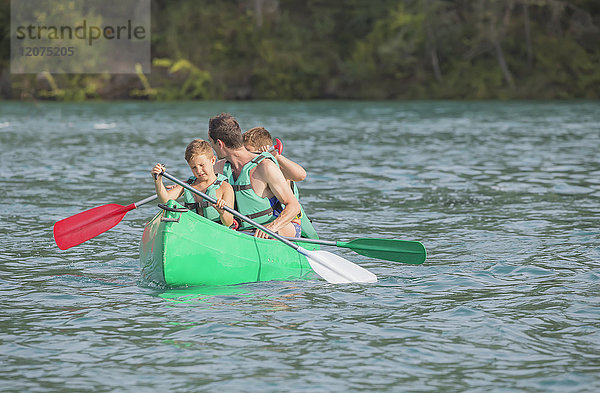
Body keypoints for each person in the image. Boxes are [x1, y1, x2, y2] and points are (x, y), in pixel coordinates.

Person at [209, 113, 301, 239]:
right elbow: (198, 183)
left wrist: (271, 228)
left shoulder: (265, 166)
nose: (211, 147)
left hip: (278, 229)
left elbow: (294, 206)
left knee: (270, 234)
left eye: (211, 142)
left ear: (219, 143)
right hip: (245, 232)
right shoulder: (220, 168)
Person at [242, 127, 319, 239]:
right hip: (261, 225)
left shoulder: (276, 169)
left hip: (288, 225)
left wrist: (275, 155)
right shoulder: (249, 171)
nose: (244, 155)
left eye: (248, 151)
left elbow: (301, 175)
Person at [151, 139, 235, 227]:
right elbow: (165, 199)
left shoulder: (225, 187)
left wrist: (222, 212)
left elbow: (228, 223)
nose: (198, 171)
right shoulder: (188, 185)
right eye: (194, 167)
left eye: (202, 165)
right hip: (193, 230)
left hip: (216, 232)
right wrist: (158, 180)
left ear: (213, 160)